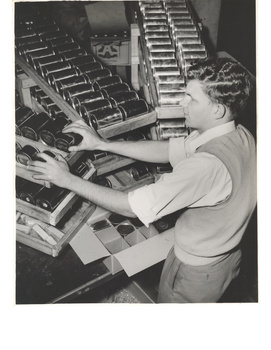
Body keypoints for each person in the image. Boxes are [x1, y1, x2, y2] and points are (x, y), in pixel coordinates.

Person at [27, 57, 257, 303]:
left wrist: (67, 179)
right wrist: (102, 143)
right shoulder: (238, 134)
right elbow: (167, 150)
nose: (182, 103)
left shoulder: (205, 166)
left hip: (197, 271)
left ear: (217, 110)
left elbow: (131, 206)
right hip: (226, 257)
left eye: (192, 98)